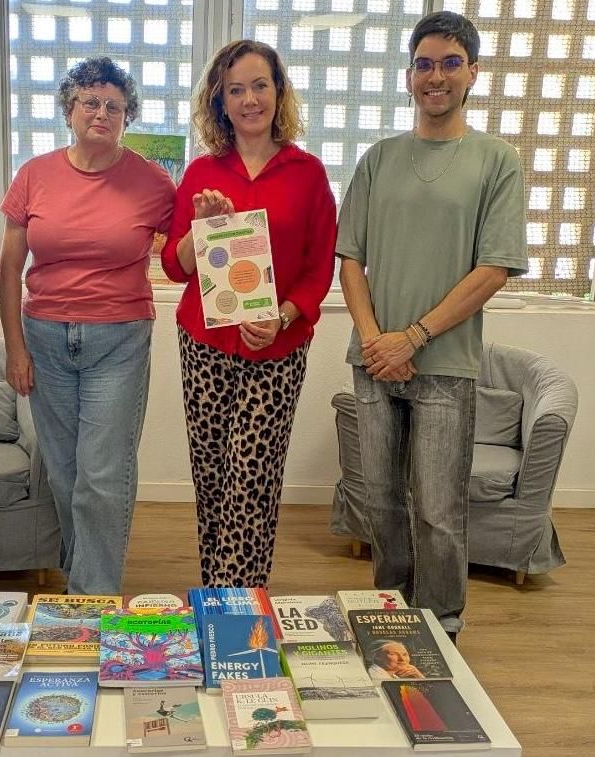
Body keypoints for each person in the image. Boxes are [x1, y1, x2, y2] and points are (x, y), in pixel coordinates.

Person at [336, 11, 528, 642]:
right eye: (423, 64)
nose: (435, 76)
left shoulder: (496, 160)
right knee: (384, 507)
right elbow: (352, 259)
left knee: (441, 512)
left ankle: (443, 625)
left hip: (443, 365)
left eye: (450, 63)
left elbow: (494, 267)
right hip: (375, 361)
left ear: (473, 72)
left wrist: (411, 337)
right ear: (409, 75)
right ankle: (390, 617)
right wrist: (374, 341)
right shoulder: (379, 158)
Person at [161, 40, 337, 588]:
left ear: (278, 93)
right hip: (205, 344)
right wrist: (199, 227)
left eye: (260, 86)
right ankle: (221, 593)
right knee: (213, 476)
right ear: (221, 100)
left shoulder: (307, 173)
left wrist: (283, 316)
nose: (249, 99)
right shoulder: (201, 172)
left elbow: (319, 267)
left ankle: (237, 599)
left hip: (277, 348)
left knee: (252, 477)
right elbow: (175, 266)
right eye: (236, 89)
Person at [0, 57, 175, 595]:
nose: (101, 113)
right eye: (90, 102)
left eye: (114, 106)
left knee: (101, 477)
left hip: (118, 340)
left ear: (127, 118)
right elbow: (9, 269)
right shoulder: (34, 174)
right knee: (66, 475)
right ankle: (84, 577)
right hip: (45, 338)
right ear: (69, 111)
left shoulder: (153, 182)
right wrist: (14, 347)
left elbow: (184, 256)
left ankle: (91, 602)